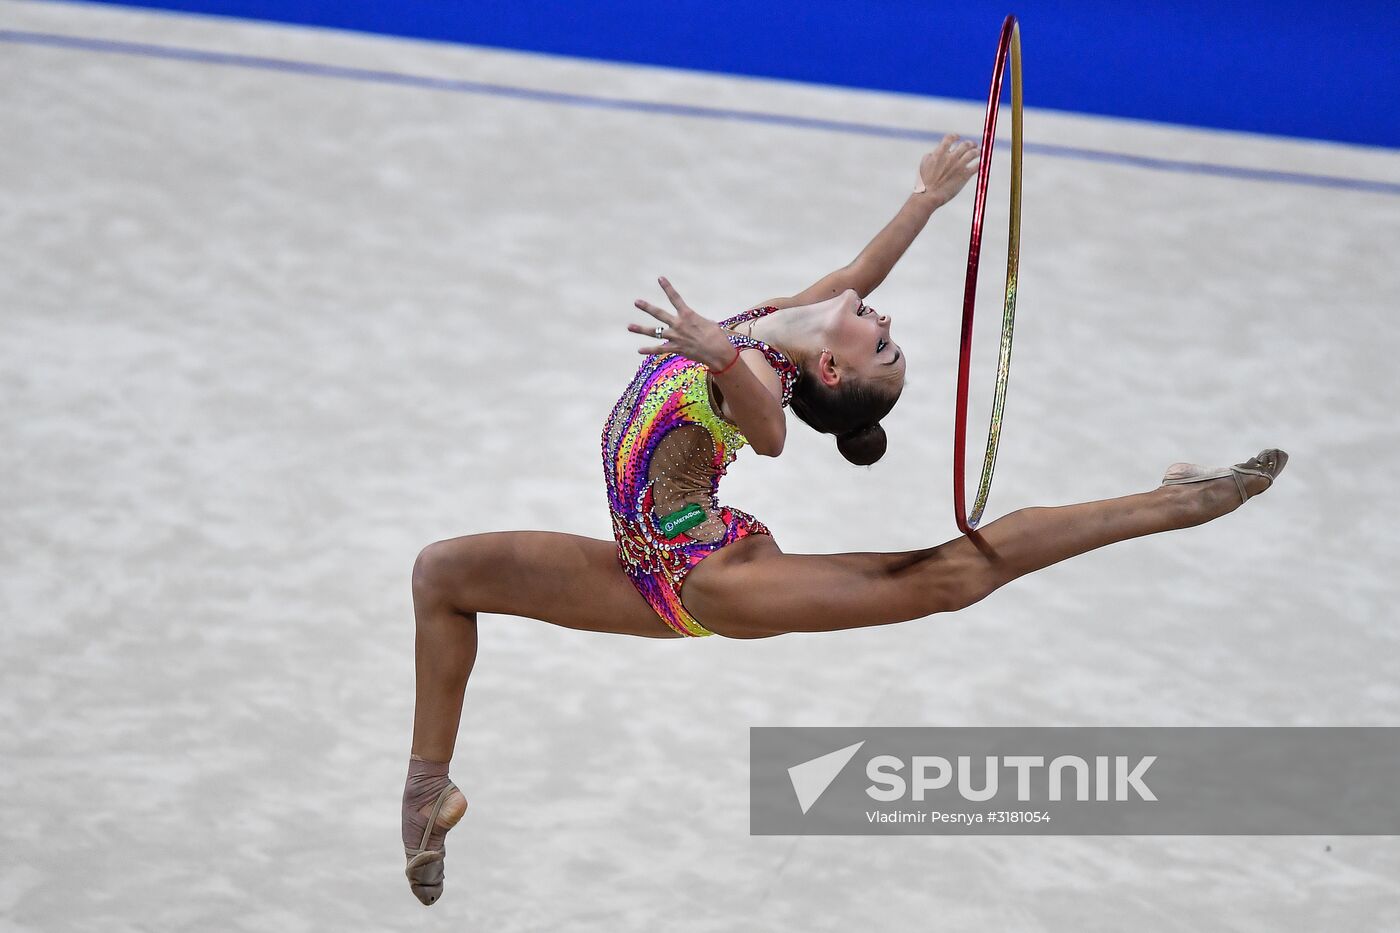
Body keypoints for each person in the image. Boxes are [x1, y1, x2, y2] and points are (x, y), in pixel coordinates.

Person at [399, 135, 1287, 904]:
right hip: (641, 567)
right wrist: (926, 200)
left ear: (829, 366)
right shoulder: (777, 326)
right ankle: (426, 792)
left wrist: (723, 360)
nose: (886, 318)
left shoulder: (746, 369)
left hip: (708, 576)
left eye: (885, 345)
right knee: (443, 572)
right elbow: (864, 276)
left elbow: (772, 435)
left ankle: (1189, 498)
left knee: (947, 574)